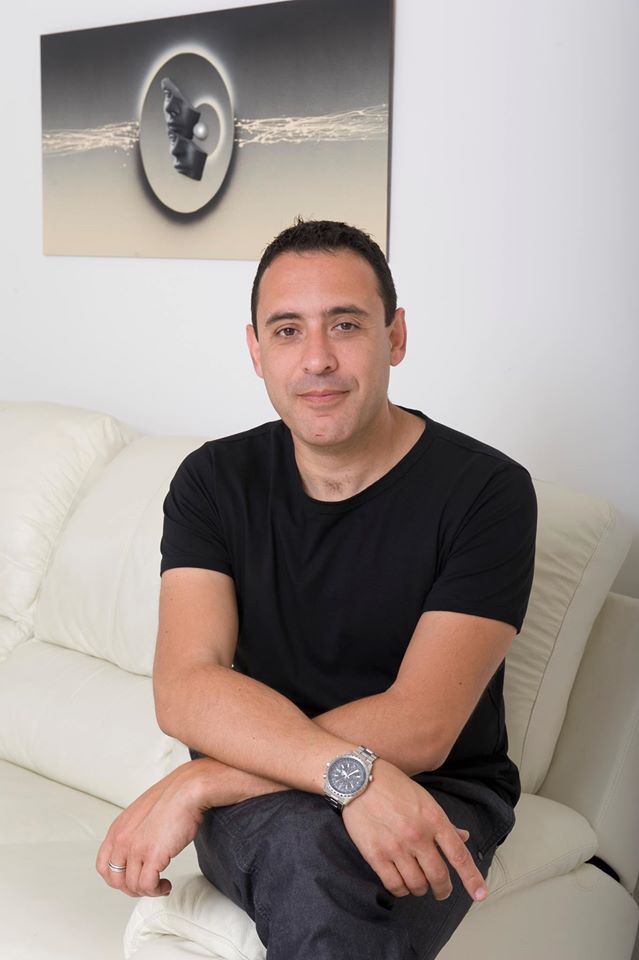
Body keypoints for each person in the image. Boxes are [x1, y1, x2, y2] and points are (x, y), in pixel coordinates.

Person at [96, 219, 537, 959]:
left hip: (434, 782)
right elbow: (186, 687)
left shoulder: (486, 492)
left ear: (395, 337)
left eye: (346, 324)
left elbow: (423, 723)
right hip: (266, 792)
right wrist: (351, 778)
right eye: (288, 330)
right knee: (307, 850)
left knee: (321, 867)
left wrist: (204, 782)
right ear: (256, 351)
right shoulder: (213, 481)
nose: (318, 358)